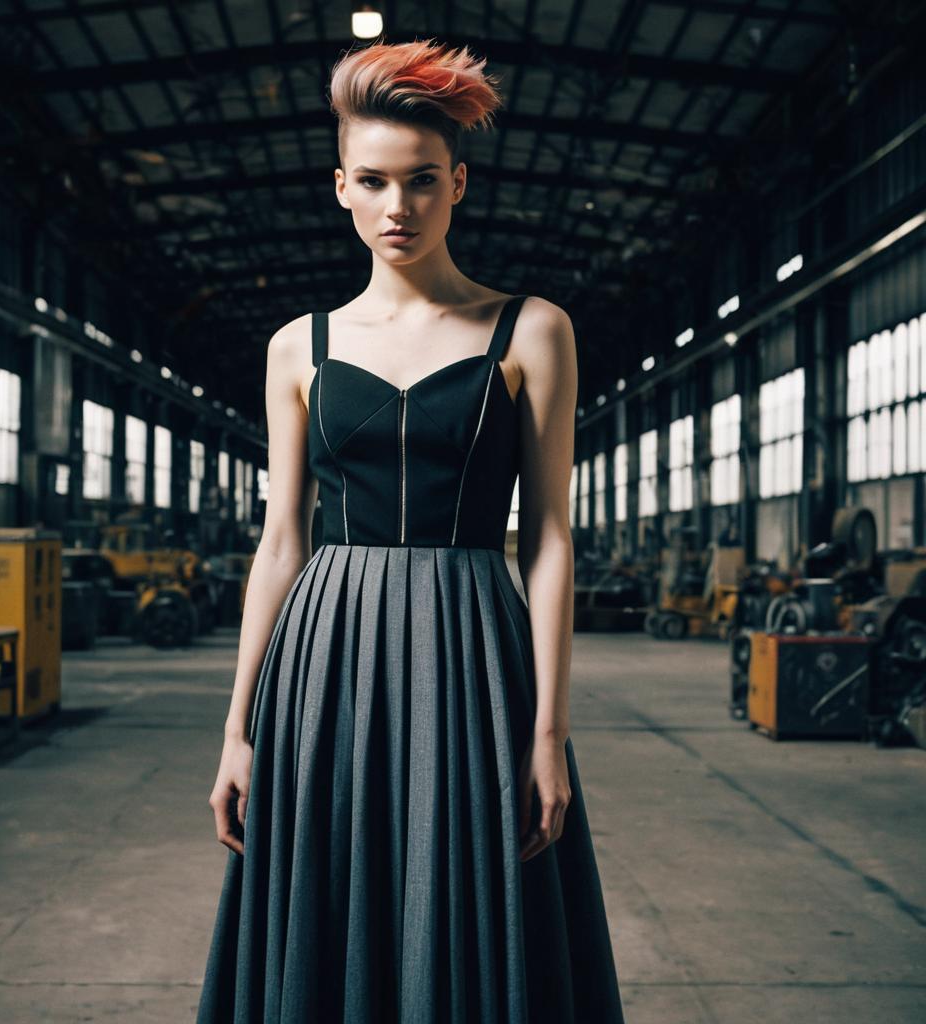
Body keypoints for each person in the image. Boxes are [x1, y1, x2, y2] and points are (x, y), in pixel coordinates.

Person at [195, 37, 626, 1023]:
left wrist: (549, 730)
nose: (399, 207)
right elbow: (281, 541)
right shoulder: (298, 346)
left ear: (458, 183)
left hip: (470, 646)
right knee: (330, 888)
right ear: (341, 187)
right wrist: (237, 730)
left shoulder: (532, 329)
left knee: (468, 882)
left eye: (423, 180)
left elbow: (548, 538)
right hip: (326, 652)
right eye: (375, 181)